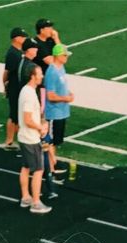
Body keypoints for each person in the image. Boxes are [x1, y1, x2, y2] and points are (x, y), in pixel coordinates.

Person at [17, 63, 51, 216]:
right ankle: (36, 202)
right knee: (38, 170)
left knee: (25, 167)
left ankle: (26, 197)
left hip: (23, 136)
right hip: (31, 138)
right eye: (40, 73)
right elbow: (28, 119)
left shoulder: (25, 90)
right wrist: (41, 127)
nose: (42, 76)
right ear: (33, 75)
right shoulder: (30, 95)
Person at [43, 44, 74, 175]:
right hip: (54, 112)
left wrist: (69, 93)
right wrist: (66, 98)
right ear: (58, 56)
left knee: (56, 141)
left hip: (61, 111)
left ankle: (52, 164)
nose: (66, 57)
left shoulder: (61, 68)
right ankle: (50, 167)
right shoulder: (52, 72)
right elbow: (50, 95)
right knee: (51, 142)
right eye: (64, 55)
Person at [3, 27, 28, 148]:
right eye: (23, 37)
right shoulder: (13, 54)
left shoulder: (18, 52)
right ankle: (9, 140)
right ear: (16, 38)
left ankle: (16, 139)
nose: (24, 39)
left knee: (17, 115)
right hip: (14, 88)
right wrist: (6, 86)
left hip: (18, 87)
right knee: (14, 115)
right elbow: (6, 73)